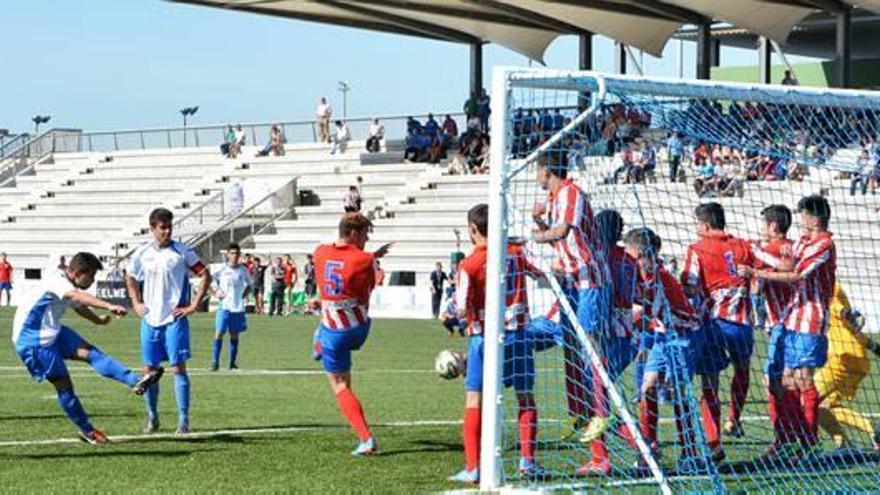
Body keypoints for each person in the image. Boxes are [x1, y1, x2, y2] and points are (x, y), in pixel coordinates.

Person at [12, 252, 163, 444]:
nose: (92, 281)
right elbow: (77, 297)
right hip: (33, 341)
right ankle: (88, 431)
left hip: (51, 331)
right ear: (77, 272)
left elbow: (77, 304)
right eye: (90, 276)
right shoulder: (59, 282)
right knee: (64, 387)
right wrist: (108, 306)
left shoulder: (66, 281)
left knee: (92, 353)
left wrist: (97, 320)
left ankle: (135, 381)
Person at [450, 204, 547, 484]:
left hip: (484, 339)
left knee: (475, 399)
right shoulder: (515, 254)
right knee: (525, 397)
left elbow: (460, 308)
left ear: (472, 229)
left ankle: (473, 467)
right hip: (518, 335)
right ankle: (528, 461)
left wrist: (452, 314)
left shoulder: (468, 264)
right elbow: (537, 273)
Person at [738, 195, 836, 460]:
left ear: (813, 218)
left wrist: (756, 271)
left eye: (803, 215)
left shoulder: (824, 243)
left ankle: (809, 442)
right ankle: (789, 438)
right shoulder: (802, 241)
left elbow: (794, 273)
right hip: (791, 318)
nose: (800, 221)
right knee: (784, 380)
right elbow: (786, 261)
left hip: (811, 318)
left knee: (803, 379)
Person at [532, 151, 610, 440]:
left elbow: (563, 232)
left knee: (591, 345)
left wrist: (535, 235)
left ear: (547, 171)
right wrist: (538, 223)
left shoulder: (571, 192)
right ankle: (579, 412)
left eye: (537, 171)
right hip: (571, 281)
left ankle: (602, 411)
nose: (535, 177)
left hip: (590, 280)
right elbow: (558, 241)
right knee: (571, 347)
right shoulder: (554, 200)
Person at [625, 228, 705, 473]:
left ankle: (690, 453)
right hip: (662, 337)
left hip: (683, 337)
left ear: (640, 253)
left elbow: (646, 312)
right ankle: (649, 450)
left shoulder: (659, 277)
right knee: (648, 387)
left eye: (630, 255)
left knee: (678, 392)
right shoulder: (643, 275)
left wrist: (626, 322)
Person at [125, 208, 211, 435]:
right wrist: (136, 302)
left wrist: (193, 305)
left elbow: (205, 274)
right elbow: (130, 276)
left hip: (174, 318)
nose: (167, 231)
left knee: (178, 368)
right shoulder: (142, 253)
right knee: (150, 370)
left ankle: (183, 420)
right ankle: (152, 417)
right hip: (150, 319)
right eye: (162, 227)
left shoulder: (182, 252)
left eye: (169, 226)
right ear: (152, 229)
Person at [313, 213, 391, 455]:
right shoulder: (365, 259)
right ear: (354, 234)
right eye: (365, 234)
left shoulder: (319, 252)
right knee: (323, 330)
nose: (367, 239)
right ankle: (318, 344)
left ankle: (366, 439)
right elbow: (367, 285)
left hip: (335, 331)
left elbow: (334, 266)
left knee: (339, 385)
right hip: (359, 327)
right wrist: (374, 256)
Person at [681, 202, 754, 460]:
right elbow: (759, 273)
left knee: (709, 382)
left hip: (712, 324)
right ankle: (734, 419)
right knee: (742, 369)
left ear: (705, 225)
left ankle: (714, 444)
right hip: (742, 323)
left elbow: (689, 286)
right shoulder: (744, 245)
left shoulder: (697, 249)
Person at [578, 210, 638, 476]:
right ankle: (640, 447)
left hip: (607, 334)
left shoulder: (599, 259)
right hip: (629, 333)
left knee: (600, 399)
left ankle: (605, 457)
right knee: (605, 397)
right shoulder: (630, 259)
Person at [748, 205, 799, 453]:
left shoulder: (782, 248)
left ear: (773, 227)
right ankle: (789, 436)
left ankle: (788, 437)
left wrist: (756, 253)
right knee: (781, 380)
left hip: (786, 322)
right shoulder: (777, 247)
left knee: (776, 379)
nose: (761, 229)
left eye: (763, 224)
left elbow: (787, 267)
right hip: (779, 323)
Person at [816, 283, 880, 452]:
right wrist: (875, 347)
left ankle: (802, 444)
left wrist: (848, 313)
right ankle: (870, 431)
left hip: (842, 361)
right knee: (823, 406)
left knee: (806, 398)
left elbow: (841, 311)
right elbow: (851, 328)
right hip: (858, 364)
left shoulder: (828, 287)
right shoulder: (830, 288)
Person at [209, 243, 253, 371]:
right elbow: (206, 281)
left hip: (237, 308)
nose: (234, 256)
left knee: (235, 336)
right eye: (232, 253)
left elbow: (250, 284)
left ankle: (232, 363)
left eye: (237, 253)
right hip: (224, 307)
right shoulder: (222, 269)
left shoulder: (243, 270)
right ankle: (215, 362)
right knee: (219, 333)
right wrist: (215, 294)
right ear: (228, 255)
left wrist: (243, 295)